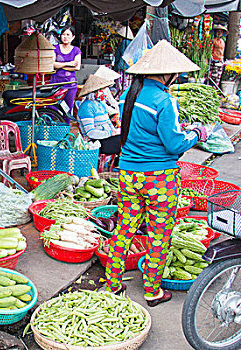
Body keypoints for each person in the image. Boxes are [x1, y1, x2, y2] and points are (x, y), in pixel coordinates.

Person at [104, 40, 208, 306]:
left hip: (127, 174)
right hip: (158, 178)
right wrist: (196, 134)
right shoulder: (165, 100)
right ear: (168, 74)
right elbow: (174, 144)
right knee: (158, 235)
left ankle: (112, 285)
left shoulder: (131, 94)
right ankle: (152, 291)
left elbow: (139, 130)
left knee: (125, 229)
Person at [76, 75, 120, 155]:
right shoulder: (86, 107)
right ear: (94, 91)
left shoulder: (100, 104)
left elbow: (108, 122)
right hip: (95, 142)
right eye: (101, 90)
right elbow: (90, 133)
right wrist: (110, 133)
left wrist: (114, 131)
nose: (104, 92)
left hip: (106, 137)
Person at [51, 25, 81, 116]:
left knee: (67, 109)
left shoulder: (76, 50)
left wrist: (59, 66)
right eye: (63, 34)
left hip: (70, 85)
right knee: (52, 108)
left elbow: (77, 67)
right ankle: (51, 129)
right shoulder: (55, 48)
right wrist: (68, 64)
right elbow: (52, 64)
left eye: (68, 35)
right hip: (56, 83)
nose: (65, 37)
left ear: (73, 37)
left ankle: (65, 128)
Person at [113, 26, 134, 92]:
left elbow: (122, 56)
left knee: (121, 85)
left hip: (123, 66)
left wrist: (119, 68)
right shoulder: (131, 43)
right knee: (126, 84)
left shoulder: (124, 43)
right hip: (129, 66)